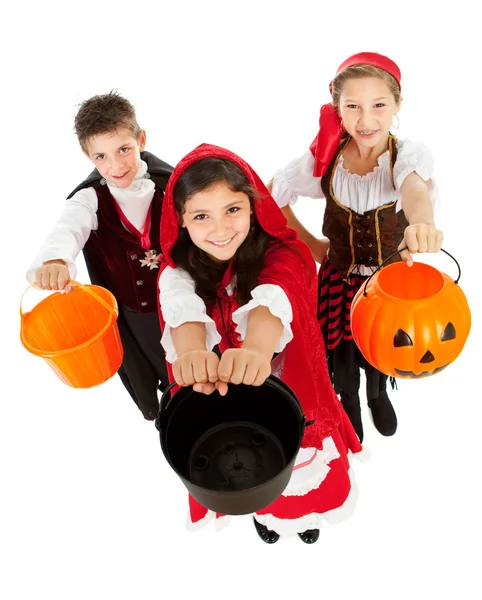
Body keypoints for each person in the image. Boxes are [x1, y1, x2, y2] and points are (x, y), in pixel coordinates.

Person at [157, 143, 362, 544]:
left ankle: (307, 519)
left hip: (293, 398)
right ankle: (267, 515)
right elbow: (181, 309)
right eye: (201, 216)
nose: (219, 230)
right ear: (181, 221)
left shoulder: (284, 252)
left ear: (253, 207)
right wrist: (192, 353)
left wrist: (256, 349)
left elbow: (277, 294)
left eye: (232, 209)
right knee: (250, 474)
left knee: (302, 465)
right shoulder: (177, 271)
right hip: (236, 413)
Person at [268, 52, 443, 442]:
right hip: (339, 277)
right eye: (353, 107)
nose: (366, 120)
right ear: (338, 109)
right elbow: (274, 193)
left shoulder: (406, 157)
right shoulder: (326, 157)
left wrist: (422, 223)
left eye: (379, 105)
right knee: (342, 352)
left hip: (388, 280)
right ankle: (348, 401)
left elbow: (414, 188)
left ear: (398, 105)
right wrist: (310, 243)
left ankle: (378, 394)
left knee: (380, 346)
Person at [26, 91, 173, 421]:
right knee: (157, 372)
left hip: (183, 303)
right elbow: (68, 227)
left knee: (200, 363)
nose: (115, 165)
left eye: (124, 149)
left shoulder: (175, 185)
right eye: (101, 157)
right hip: (136, 315)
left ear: (142, 140)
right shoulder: (89, 198)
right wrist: (55, 260)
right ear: (87, 155)